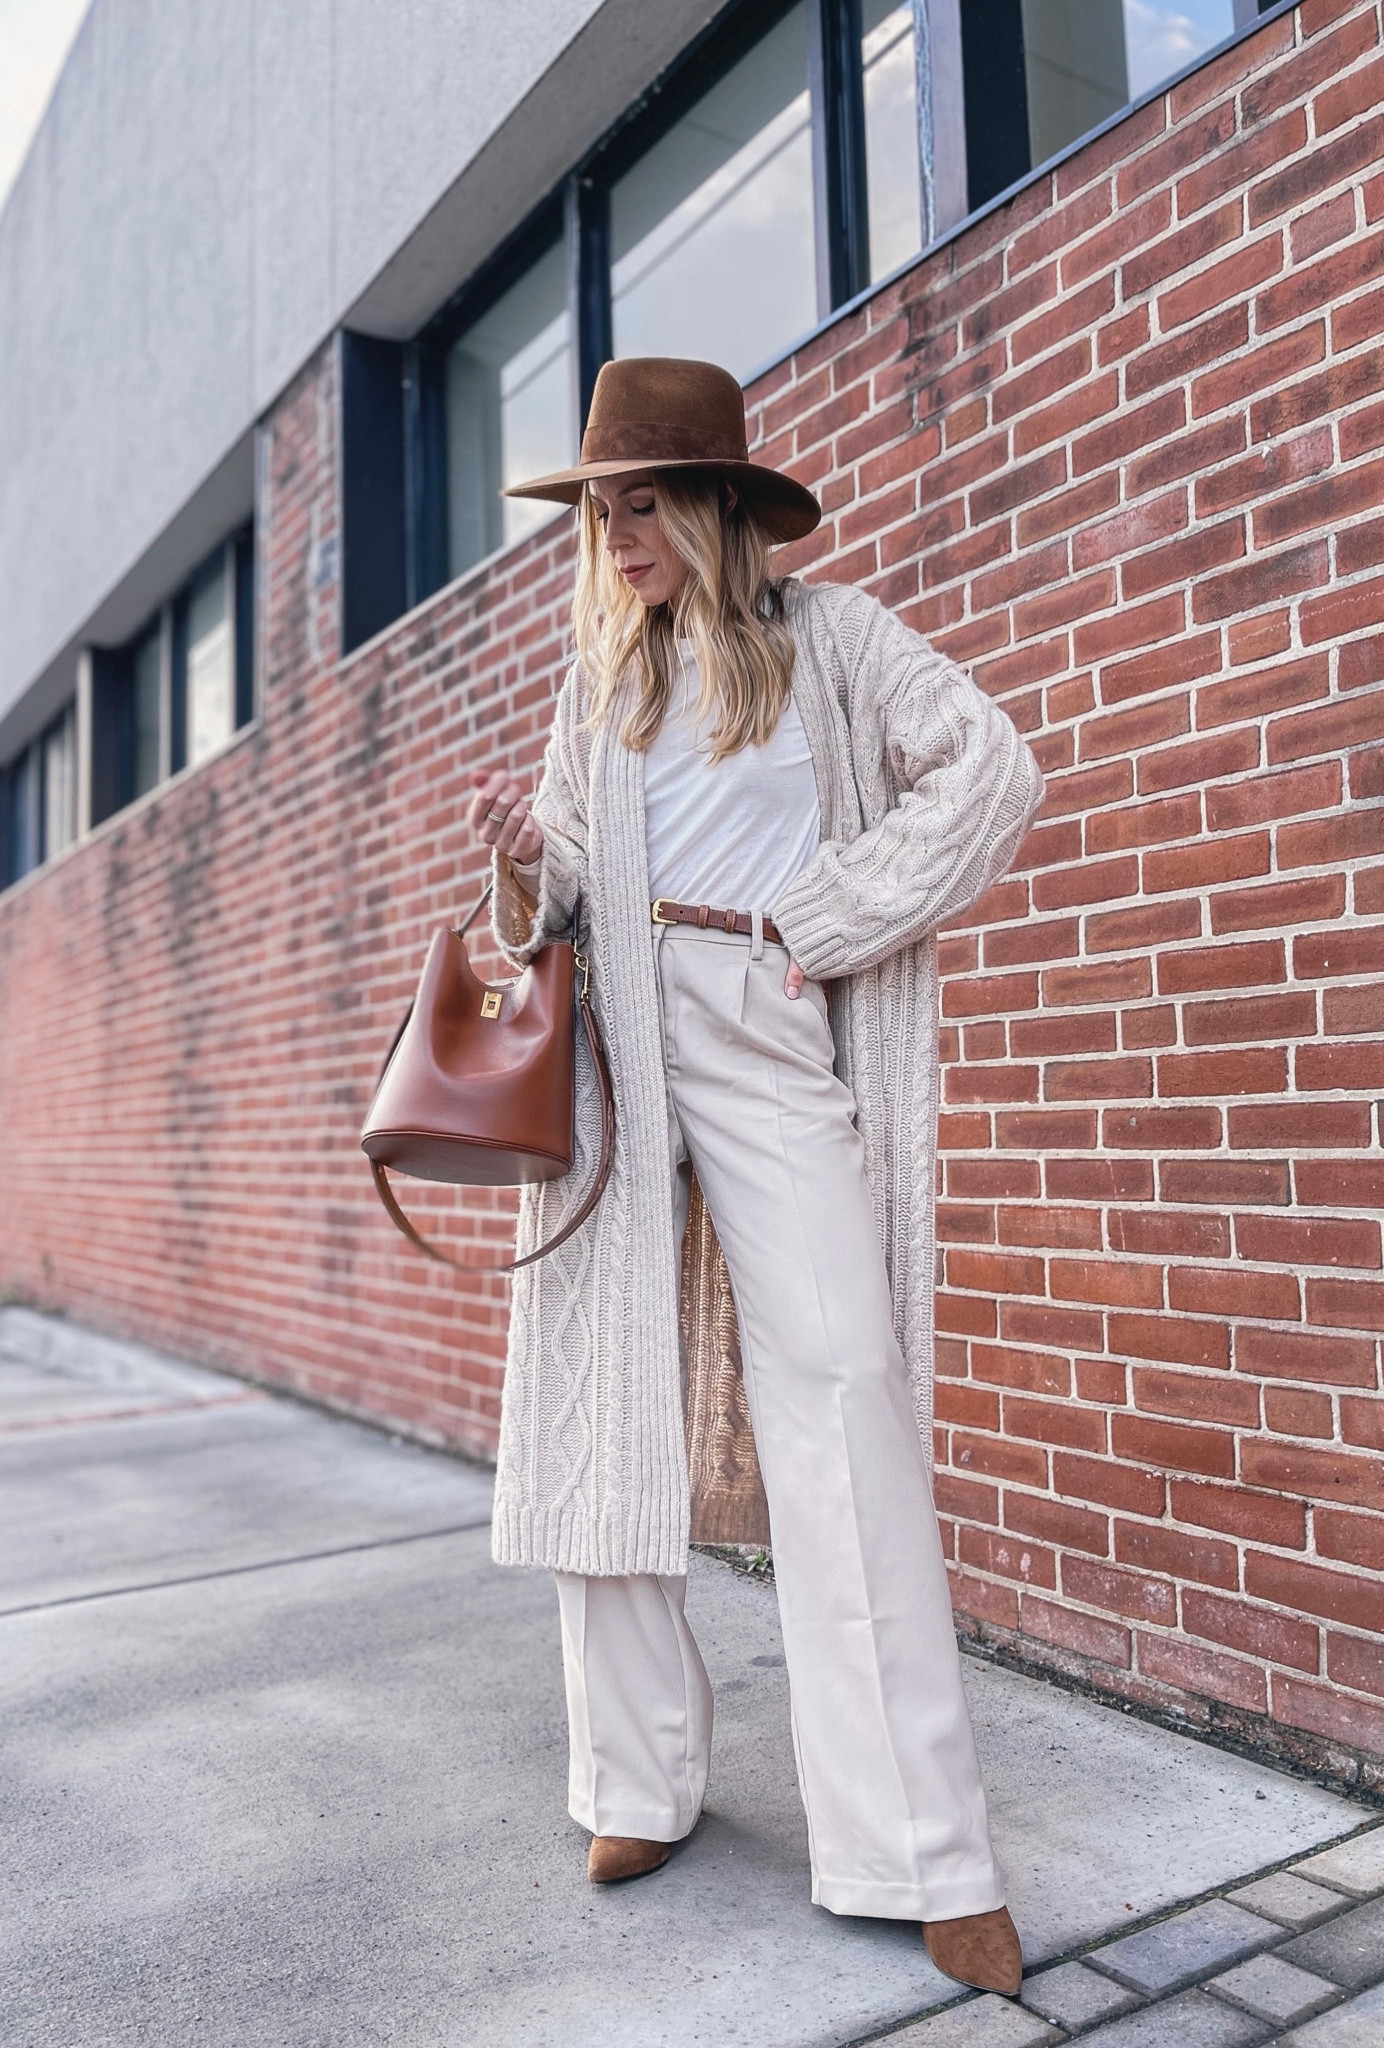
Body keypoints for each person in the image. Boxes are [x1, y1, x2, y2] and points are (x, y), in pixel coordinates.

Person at [465, 357, 1043, 1998]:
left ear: (717, 506)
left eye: (641, 502)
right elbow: (566, 897)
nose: (615, 535)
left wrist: (820, 922)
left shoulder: (838, 641)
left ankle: (920, 1852)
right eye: (597, 509)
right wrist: (523, 873)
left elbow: (991, 773)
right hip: (619, 1052)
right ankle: (635, 1784)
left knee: (844, 1399)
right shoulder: (603, 678)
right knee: (607, 1405)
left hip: (769, 1026)